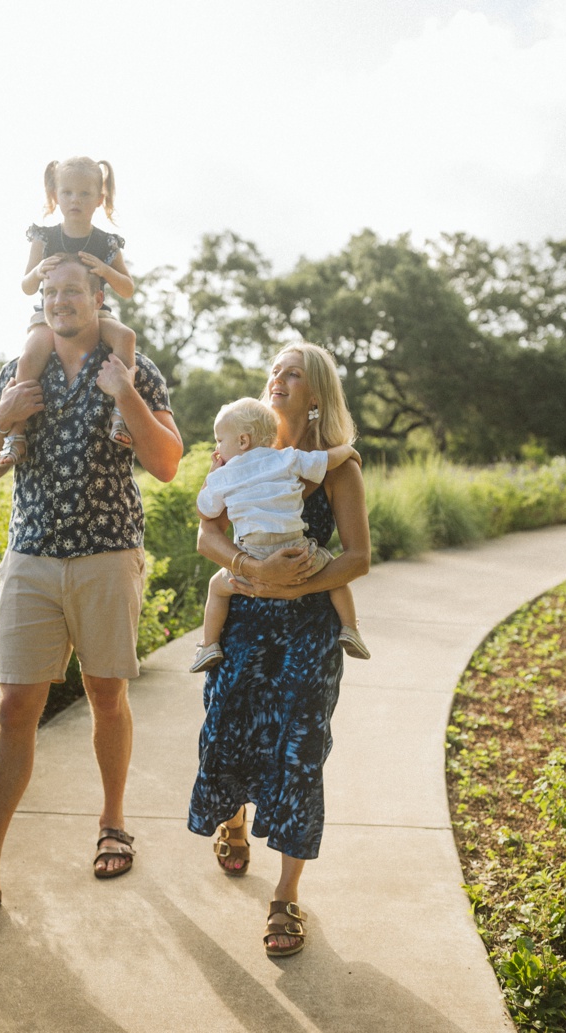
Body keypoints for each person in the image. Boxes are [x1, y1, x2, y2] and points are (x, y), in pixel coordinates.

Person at [0, 253, 182, 909]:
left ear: (100, 298)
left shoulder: (133, 367)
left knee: (104, 694)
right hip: (32, 552)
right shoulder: (19, 370)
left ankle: (113, 821)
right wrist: (2, 415)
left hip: (107, 550)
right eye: (50, 291)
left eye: (73, 290)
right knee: (14, 705)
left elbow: (168, 463)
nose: (59, 300)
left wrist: (124, 391)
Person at [187, 343, 372, 958]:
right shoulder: (237, 449)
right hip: (244, 617)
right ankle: (234, 822)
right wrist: (249, 570)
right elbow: (206, 530)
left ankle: (286, 897)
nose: (278, 379)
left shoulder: (334, 469)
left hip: (309, 628)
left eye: (293, 373)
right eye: (275, 370)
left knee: (299, 752)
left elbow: (357, 557)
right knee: (226, 732)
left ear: (317, 393)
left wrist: (293, 583)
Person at [189, 396, 369, 673]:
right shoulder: (286, 458)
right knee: (333, 570)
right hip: (297, 552)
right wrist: (348, 451)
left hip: (252, 552)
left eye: (219, 441)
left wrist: (213, 475)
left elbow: (205, 511)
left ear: (243, 441)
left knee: (217, 587)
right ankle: (350, 628)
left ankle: (208, 645)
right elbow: (326, 459)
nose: (217, 449)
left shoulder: (225, 474)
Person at [0, 155, 137, 466]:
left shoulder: (106, 242)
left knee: (126, 336)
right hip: (50, 315)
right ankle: (16, 435)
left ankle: (120, 415)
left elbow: (127, 288)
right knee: (32, 351)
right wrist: (38, 272)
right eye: (68, 193)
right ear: (55, 196)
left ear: (99, 199)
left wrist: (105, 269)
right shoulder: (44, 237)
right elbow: (26, 286)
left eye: (85, 193)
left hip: (96, 313)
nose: (76, 200)